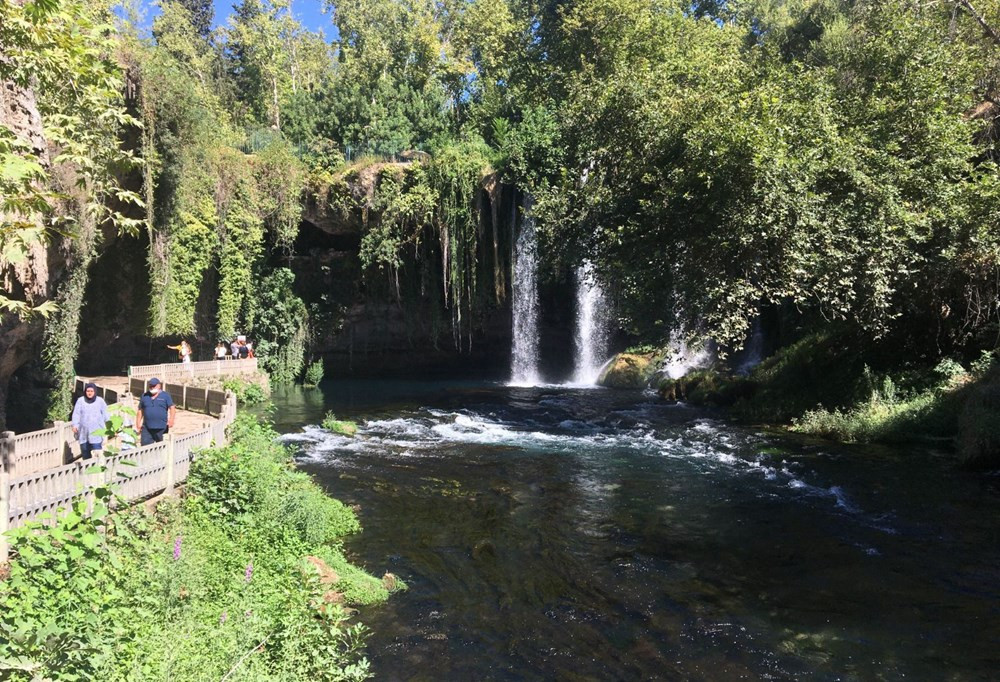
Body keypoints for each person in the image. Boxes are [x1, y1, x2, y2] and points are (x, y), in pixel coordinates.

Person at [71, 382, 109, 459]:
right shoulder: (80, 401)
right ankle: (87, 469)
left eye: (91, 391)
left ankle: (99, 469)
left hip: (97, 432)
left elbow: (106, 414)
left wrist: (110, 427)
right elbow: (76, 414)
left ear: (95, 391)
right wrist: (75, 425)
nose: (89, 393)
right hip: (84, 432)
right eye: (88, 391)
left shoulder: (100, 401)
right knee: (85, 454)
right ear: (85, 391)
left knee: (98, 454)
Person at [136, 377, 175, 445]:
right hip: (147, 428)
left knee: (162, 447)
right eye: (150, 386)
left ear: (159, 386)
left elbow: (172, 407)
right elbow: (140, 410)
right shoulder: (144, 396)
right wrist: (138, 423)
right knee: (145, 448)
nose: (152, 387)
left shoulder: (165, 396)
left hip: (161, 427)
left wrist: (171, 420)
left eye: (154, 386)